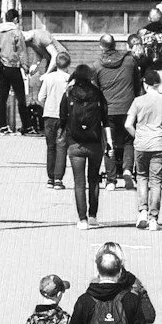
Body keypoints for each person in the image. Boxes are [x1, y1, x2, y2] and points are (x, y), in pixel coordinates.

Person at [126, 67, 162, 230]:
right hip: (159, 143)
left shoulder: (138, 101)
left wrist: (137, 135)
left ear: (145, 84)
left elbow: (128, 124)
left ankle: (142, 211)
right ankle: (153, 218)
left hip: (141, 143)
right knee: (156, 182)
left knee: (142, 177)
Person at [61, 62, 110, 224]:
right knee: (94, 180)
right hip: (95, 142)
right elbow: (105, 119)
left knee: (79, 182)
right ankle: (93, 216)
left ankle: (82, 220)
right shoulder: (97, 93)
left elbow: (62, 118)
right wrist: (108, 142)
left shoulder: (68, 94)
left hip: (75, 143)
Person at [96, 33, 140, 189]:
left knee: (109, 143)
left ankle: (111, 180)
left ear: (101, 46)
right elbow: (137, 85)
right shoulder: (130, 61)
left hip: (108, 110)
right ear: (115, 45)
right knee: (129, 141)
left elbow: (96, 90)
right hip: (129, 108)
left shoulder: (97, 65)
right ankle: (128, 169)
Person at [37, 43, 75, 188]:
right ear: (68, 64)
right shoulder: (70, 79)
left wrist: (47, 106)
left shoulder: (49, 78)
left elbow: (41, 97)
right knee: (62, 147)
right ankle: (59, 179)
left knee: (50, 147)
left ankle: (50, 178)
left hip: (49, 116)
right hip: (64, 117)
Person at [0, 10, 29, 135]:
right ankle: (26, 126)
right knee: (21, 97)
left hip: (1, 67)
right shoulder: (16, 33)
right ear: (15, 19)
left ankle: (2, 126)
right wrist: (25, 66)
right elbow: (22, 51)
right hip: (13, 67)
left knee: (2, 97)